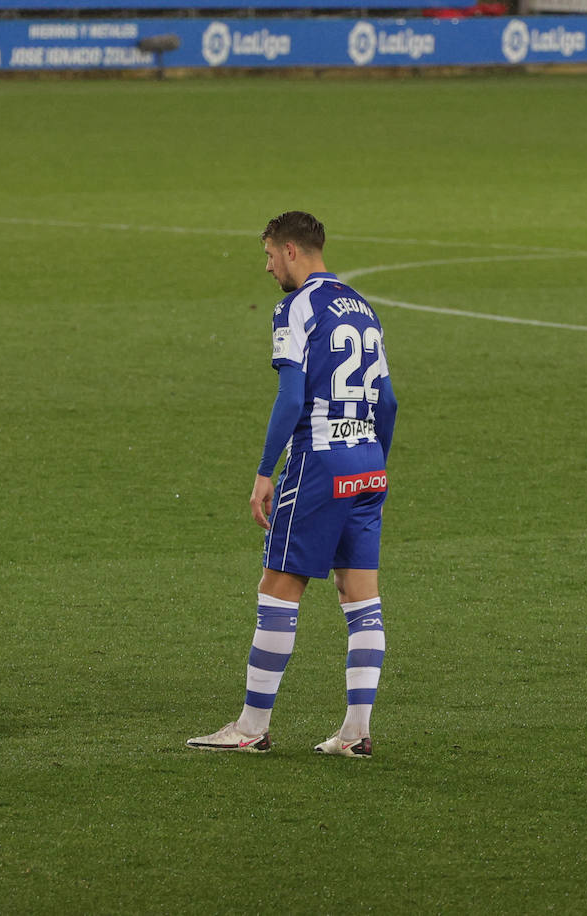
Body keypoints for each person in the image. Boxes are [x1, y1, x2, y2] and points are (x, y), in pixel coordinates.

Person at [188, 211, 397, 756]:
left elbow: (291, 397)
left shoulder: (297, 306)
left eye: (269, 255)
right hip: (367, 461)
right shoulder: (365, 308)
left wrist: (264, 473)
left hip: (319, 462)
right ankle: (355, 733)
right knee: (361, 598)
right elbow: (390, 400)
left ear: (291, 252)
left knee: (278, 588)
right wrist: (374, 460)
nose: (267, 267)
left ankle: (250, 728)